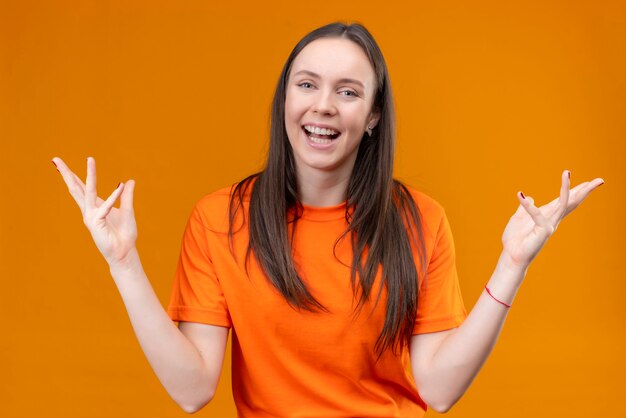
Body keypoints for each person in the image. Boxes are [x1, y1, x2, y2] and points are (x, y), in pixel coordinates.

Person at [52, 22, 604, 417]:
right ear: (285, 99)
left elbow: (438, 389)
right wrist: (123, 264)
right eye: (307, 84)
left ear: (372, 117)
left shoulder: (419, 221)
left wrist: (512, 264)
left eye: (348, 92)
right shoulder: (220, 218)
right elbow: (193, 389)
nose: (323, 106)